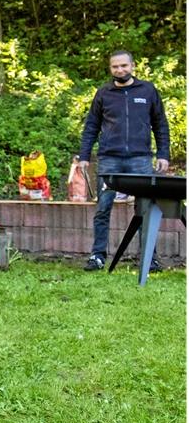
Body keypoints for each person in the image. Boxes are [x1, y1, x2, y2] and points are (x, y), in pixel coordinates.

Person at [78, 50, 170, 271]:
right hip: (109, 159)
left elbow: (160, 124)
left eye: (123, 66)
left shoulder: (147, 90)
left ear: (133, 66)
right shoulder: (103, 93)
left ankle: (150, 258)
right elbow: (91, 126)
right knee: (103, 208)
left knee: (145, 209)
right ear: (110, 69)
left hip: (141, 160)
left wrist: (164, 154)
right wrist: (84, 156)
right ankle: (97, 256)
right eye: (115, 67)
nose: (120, 70)